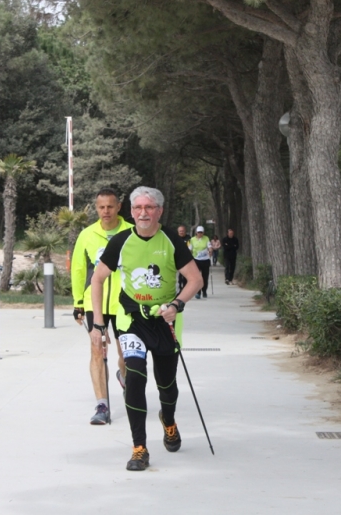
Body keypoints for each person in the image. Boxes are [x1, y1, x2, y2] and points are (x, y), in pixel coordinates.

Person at [90, 186, 202, 471]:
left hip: (165, 321)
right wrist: (99, 323)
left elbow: (195, 280)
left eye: (149, 208)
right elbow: (98, 279)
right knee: (136, 378)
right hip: (131, 321)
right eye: (138, 208)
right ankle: (139, 447)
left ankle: (169, 419)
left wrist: (176, 304)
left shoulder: (172, 243)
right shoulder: (120, 241)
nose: (143, 213)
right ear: (131, 211)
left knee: (167, 386)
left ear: (159, 212)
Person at [71, 188, 133, 425]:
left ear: (118, 207)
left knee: (125, 353)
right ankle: (102, 405)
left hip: (124, 302)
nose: (105, 211)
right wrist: (78, 302)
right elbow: (78, 269)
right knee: (97, 350)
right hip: (94, 302)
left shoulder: (131, 232)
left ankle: (123, 376)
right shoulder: (87, 234)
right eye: (101, 207)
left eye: (110, 206)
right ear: (96, 208)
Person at [189, 226, 211, 299]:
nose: (200, 234)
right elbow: (190, 249)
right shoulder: (192, 239)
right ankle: (198, 292)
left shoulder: (206, 238)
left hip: (205, 260)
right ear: (196, 232)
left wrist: (210, 250)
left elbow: (209, 246)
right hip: (196, 260)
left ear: (203, 232)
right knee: (197, 277)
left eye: (201, 232)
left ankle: (204, 291)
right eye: (199, 232)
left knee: (205, 277)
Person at [176, 225, 192, 292]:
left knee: (185, 274)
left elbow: (190, 248)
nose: (181, 232)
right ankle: (180, 287)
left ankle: (185, 287)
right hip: (177, 258)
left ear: (185, 231)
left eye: (182, 231)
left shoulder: (188, 239)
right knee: (180, 274)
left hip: (186, 259)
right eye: (180, 231)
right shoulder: (175, 238)